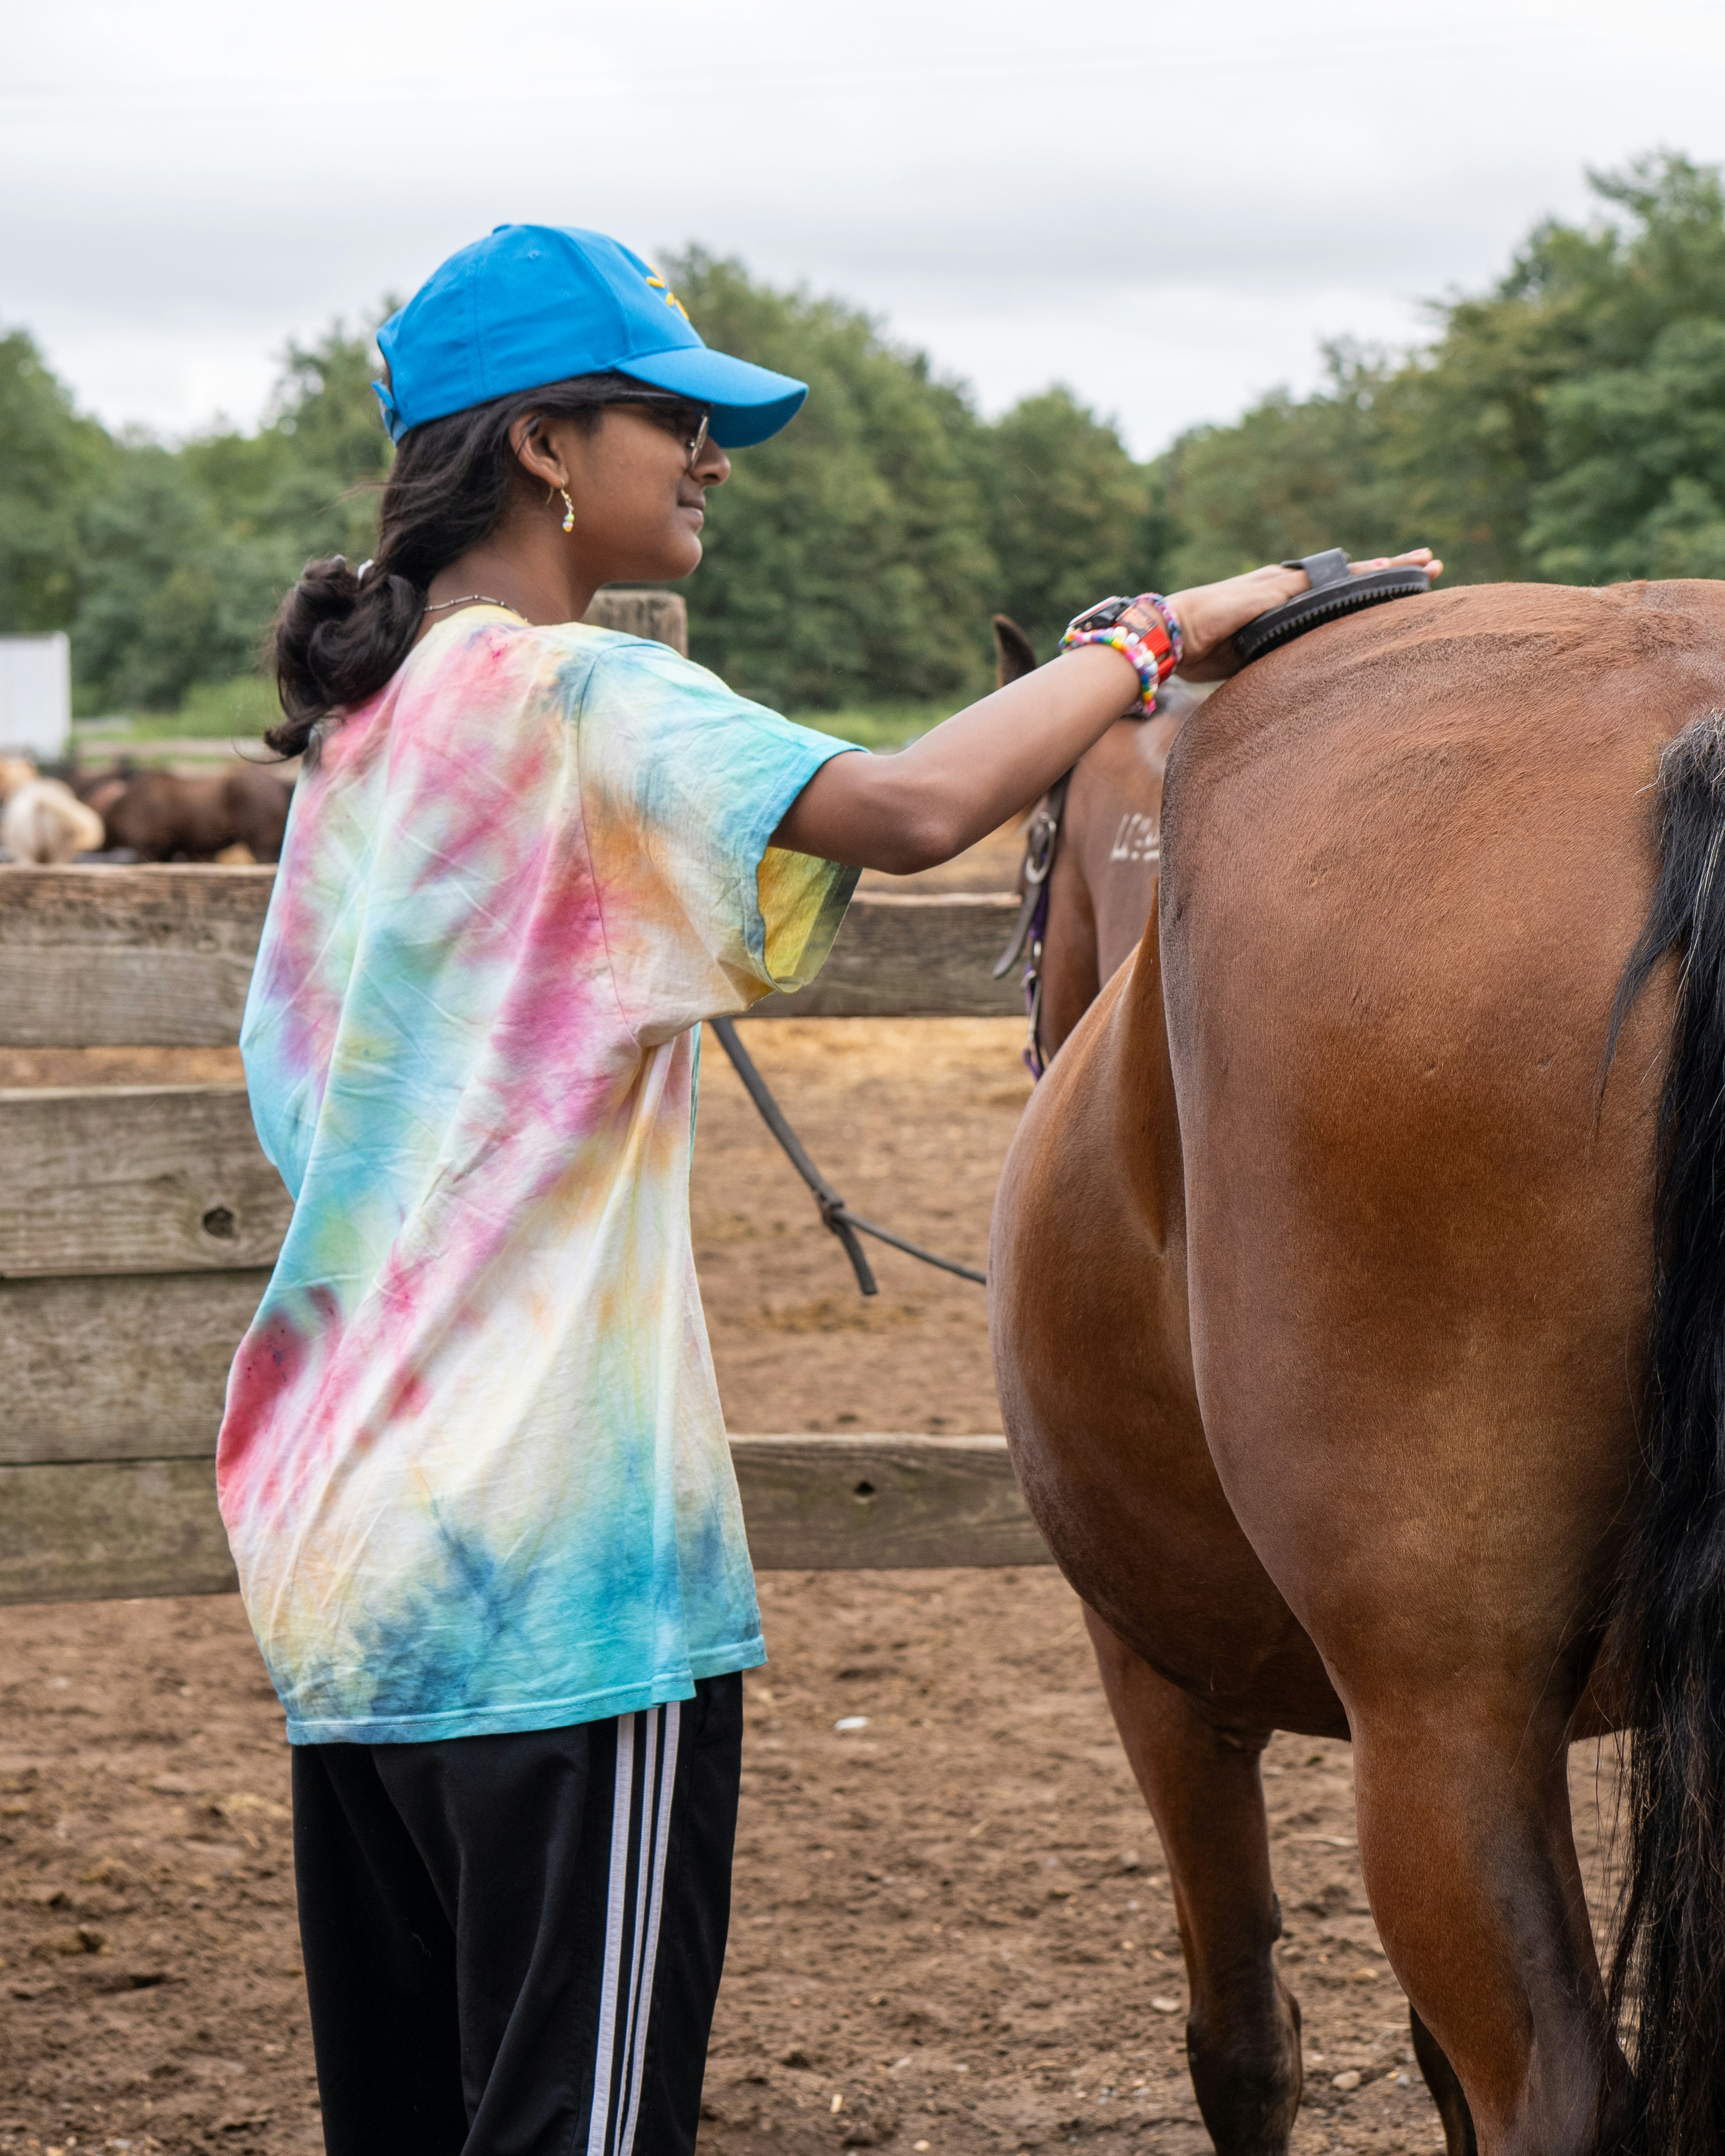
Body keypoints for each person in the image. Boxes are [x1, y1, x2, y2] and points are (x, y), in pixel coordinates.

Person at [216, 222, 1438, 2156]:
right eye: (680, 419)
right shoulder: (576, 702)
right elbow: (916, 806)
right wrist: (1157, 637)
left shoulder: (362, 747)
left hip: (345, 1556)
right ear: (546, 446)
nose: (713, 456)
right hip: (549, 1575)